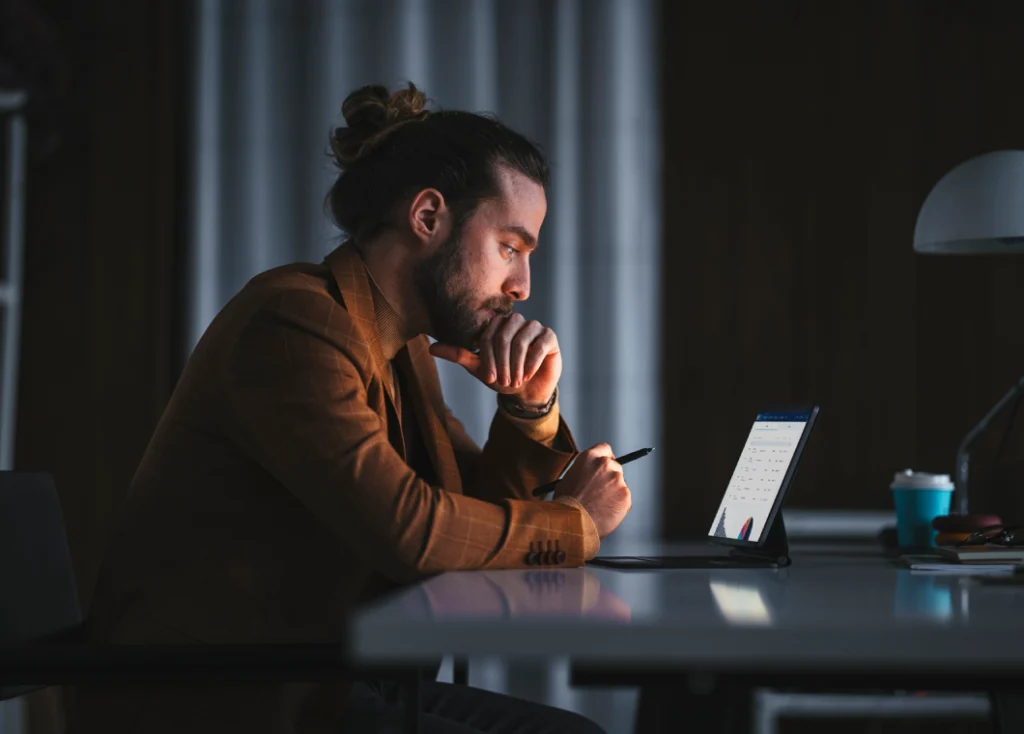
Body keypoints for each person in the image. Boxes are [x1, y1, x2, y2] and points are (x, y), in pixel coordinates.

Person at [67, 83, 632, 734]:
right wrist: (574, 524)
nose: (523, 286)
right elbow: (415, 534)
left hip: (326, 686)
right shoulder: (293, 322)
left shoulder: (399, 349)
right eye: (510, 247)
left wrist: (529, 409)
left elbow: (466, 503)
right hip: (220, 701)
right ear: (427, 217)